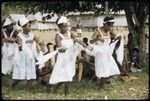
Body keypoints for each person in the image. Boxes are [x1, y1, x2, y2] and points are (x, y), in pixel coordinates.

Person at [48, 16, 89, 96]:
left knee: (68, 75)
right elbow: (59, 48)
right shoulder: (58, 36)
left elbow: (77, 40)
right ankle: (66, 94)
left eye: (66, 25)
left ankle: (54, 89)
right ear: (59, 26)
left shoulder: (70, 33)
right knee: (66, 76)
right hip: (63, 58)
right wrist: (66, 49)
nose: (66, 28)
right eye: (63, 26)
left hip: (70, 57)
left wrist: (85, 45)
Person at [11, 16, 42, 92]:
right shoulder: (19, 36)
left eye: (30, 25)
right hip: (22, 58)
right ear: (23, 27)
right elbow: (20, 48)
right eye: (28, 26)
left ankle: (27, 90)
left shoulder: (32, 35)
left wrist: (42, 44)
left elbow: (39, 42)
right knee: (21, 75)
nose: (30, 27)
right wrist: (25, 42)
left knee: (31, 72)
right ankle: (13, 85)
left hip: (30, 57)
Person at [89, 16, 120, 89]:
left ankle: (100, 84)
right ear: (105, 24)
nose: (110, 28)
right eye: (109, 26)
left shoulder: (109, 30)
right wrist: (97, 38)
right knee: (103, 71)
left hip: (107, 53)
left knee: (113, 70)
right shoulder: (98, 31)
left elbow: (117, 36)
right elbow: (90, 41)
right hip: (100, 54)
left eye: (111, 26)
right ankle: (101, 86)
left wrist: (118, 38)